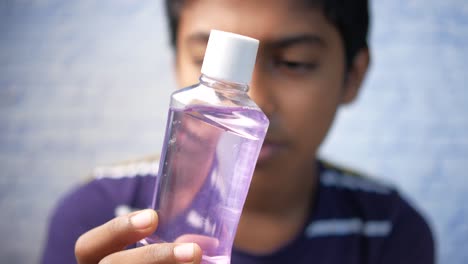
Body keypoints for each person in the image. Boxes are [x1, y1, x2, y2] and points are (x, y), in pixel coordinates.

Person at [41, 0, 435, 263]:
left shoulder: (388, 230)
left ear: (354, 75)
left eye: (295, 62)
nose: (254, 99)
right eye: (204, 60)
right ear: (177, 59)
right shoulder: (99, 219)